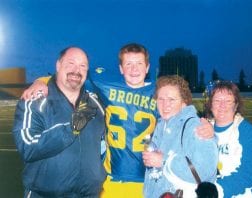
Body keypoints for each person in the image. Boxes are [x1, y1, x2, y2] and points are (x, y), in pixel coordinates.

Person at [21, 43, 214, 198]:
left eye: (139, 63)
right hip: (112, 180)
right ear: (120, 68)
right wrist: (41, 81)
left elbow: (183, 110)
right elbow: (70, 78)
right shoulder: (105, 84)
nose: (134, 69)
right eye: (128, 64)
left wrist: (204, 125)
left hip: (148, 179)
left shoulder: (159, 90)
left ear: (147, 67)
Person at [12, 47, 107, 197]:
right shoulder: (36, 100)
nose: (76, 70)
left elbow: (102, 147)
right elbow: (27, 147)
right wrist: (70, 129)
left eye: (83, 66)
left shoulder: (96, 104)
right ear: (58, 65)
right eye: (71, 63)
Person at [143, 75, 218, 198]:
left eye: (171, 99)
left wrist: (163, 161)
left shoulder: (195, 126)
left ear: (184, 102)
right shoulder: (161, 125)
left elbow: (204, 170)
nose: (165, 104)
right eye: (161, 99)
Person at [204, 81, 252, 197]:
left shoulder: (247, 133)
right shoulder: (204, 131)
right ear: (210, 105)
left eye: (228, 101)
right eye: (217, 101)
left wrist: (217, 190)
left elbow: (249, 173)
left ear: (236, 105)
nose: (222, 106)